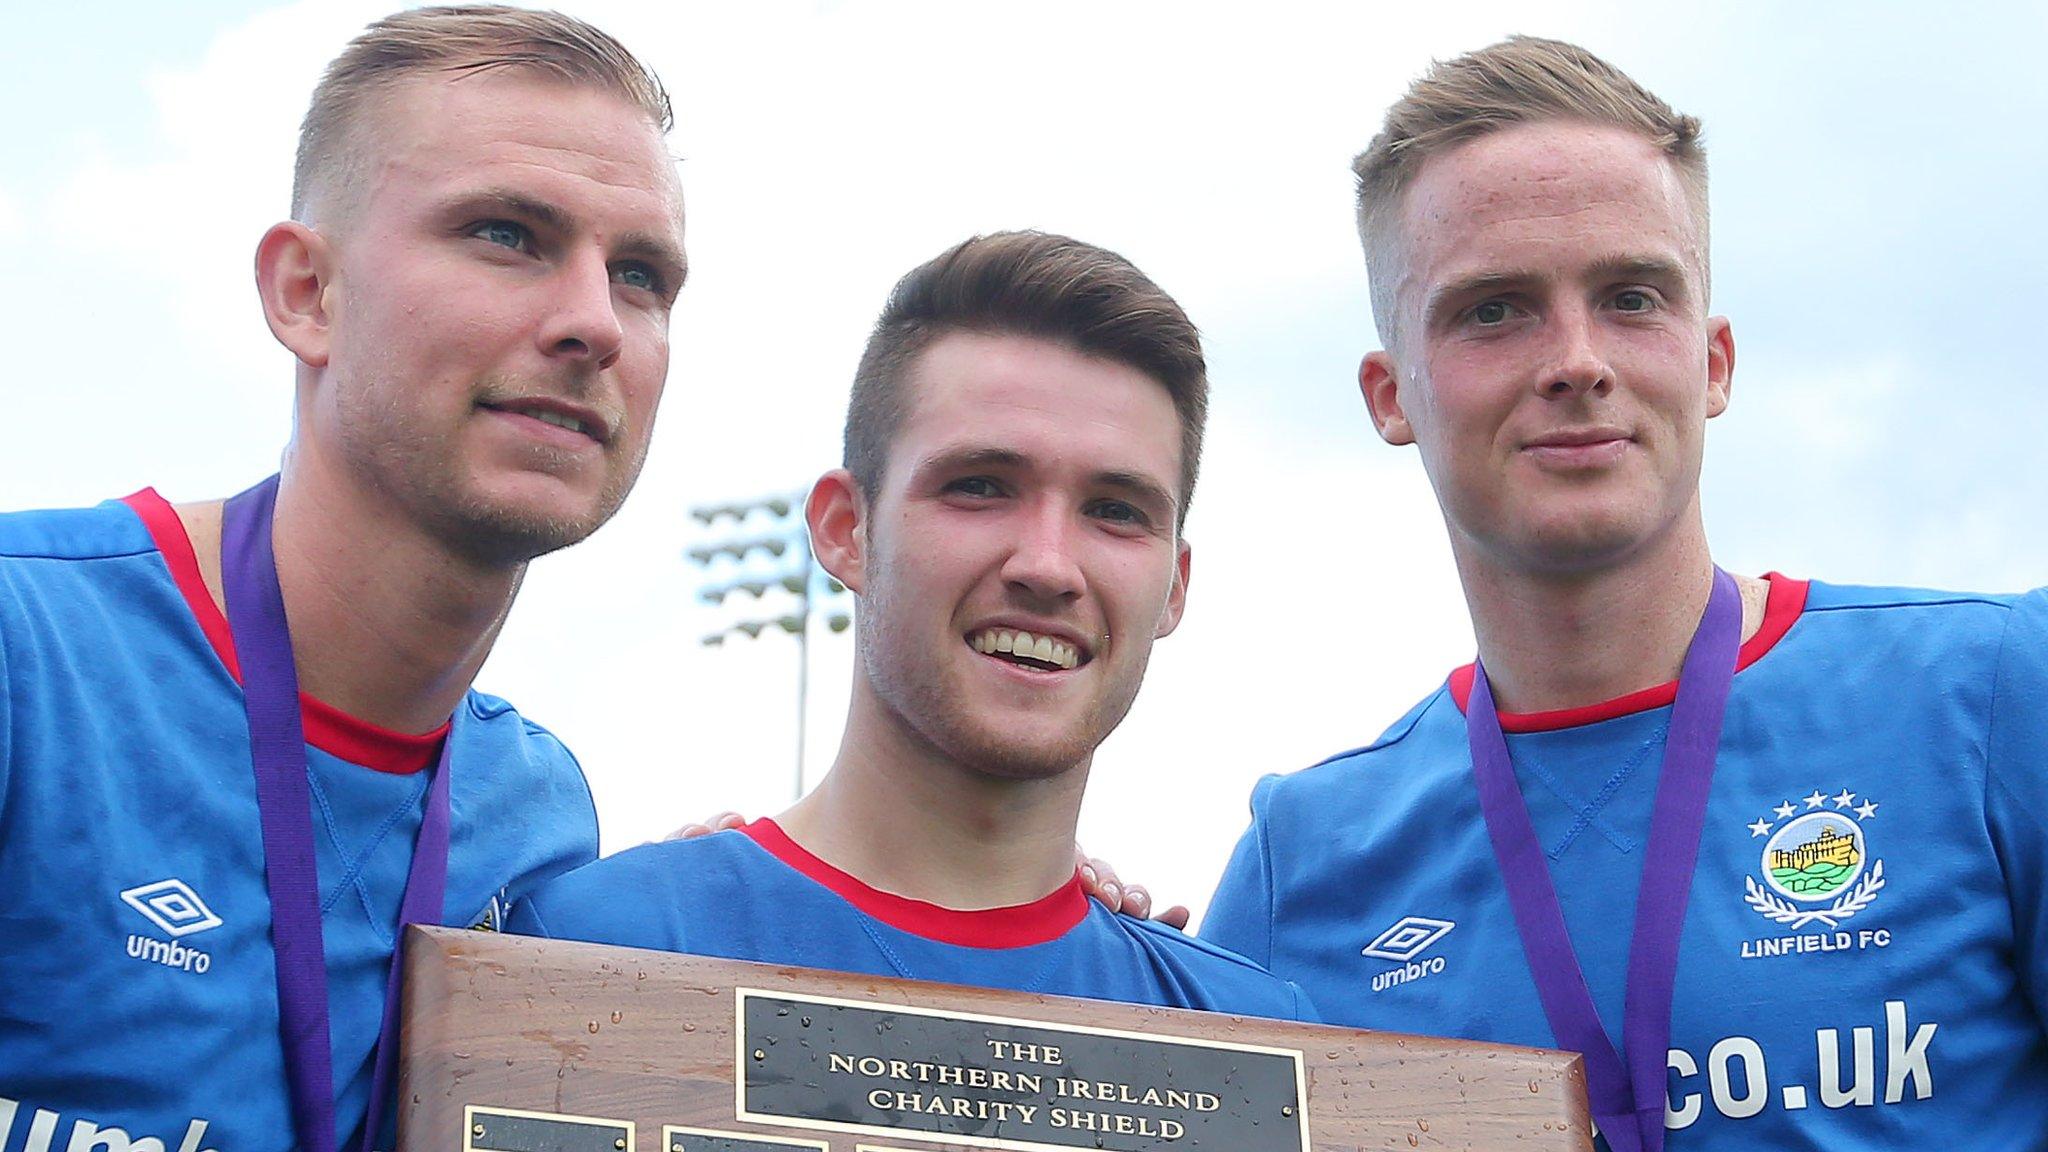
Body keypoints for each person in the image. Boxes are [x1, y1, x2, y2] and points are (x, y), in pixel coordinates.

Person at [1200, 35, 2048, 1151]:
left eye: (1630, 296)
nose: (1574, 359)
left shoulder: (1992, 696)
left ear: (1711, 361)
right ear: (1387, 390)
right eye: (1492, 310)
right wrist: (1071, 919)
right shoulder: (1299, 861)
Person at [0, 7, 686, 1150]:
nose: (591, 321)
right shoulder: (30, 652)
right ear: (305, 294)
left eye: (641, 275)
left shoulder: (535, 818)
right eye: (507, 234)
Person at [509, 231, 1308, 1021]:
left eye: (1114, 511)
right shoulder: (595, 953)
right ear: (845, 530)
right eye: (981, 487)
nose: (1048, 565)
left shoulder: (1258, 1042)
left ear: (1175, 586)